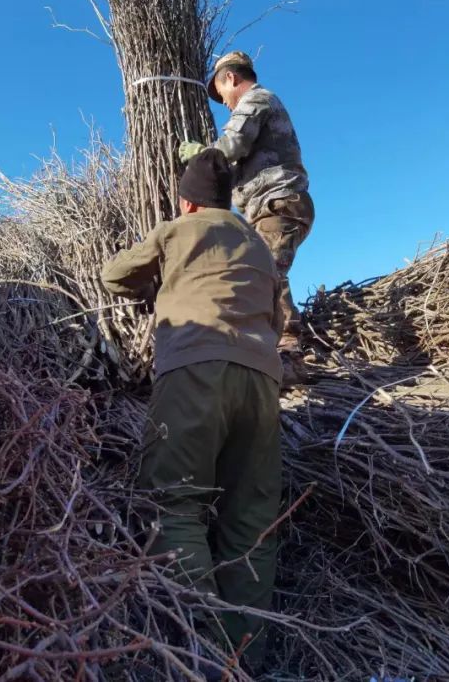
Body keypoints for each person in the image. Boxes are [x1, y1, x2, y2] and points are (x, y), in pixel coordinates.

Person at [101, 148, 283, 671]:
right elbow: (276, 314)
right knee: (251, 520)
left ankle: (202, 654)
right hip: (260, 381)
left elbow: (115, 276)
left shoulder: (177, 231)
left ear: (187, 202)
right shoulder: (258, 243)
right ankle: (246, 658)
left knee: (174, 504)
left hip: (194, 371)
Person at [179, 51, 313, 385]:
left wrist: (203, 155)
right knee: (266, 274)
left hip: (277, 204)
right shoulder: (259, 103)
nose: (222, 101)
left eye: (220, 92)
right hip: (271, 208)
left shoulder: (256, 100)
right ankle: (275, 354)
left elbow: (233, 143)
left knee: (267, 276)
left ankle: (289, 357)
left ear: (231, 78)